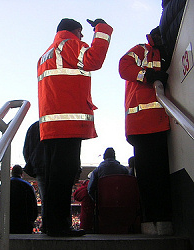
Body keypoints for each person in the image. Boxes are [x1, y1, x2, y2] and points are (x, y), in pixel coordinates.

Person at [38, 17, 113, 237]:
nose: (82, 38)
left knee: (55, 177)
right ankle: (59, 226)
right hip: (67, 123)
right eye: (81, 34)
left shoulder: (47, 53)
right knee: (64, 175)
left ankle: (51, 225)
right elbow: (93, 60)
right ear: (76, 31)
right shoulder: (68, 44)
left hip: (52, 124)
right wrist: (102, 29)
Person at [119, 26, 173, 235]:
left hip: (159, 123)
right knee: (149, 176)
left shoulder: (167, 53)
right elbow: (124, 66)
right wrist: (148, 75)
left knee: (159, 174)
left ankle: (161, 219)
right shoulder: (142, 50)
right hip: (141, 124)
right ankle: (152, 220)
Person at [23, 121, 46, 230]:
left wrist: (33, 167)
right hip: (60, 166)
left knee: (45, 199)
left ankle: (47, 225)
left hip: (41, 167)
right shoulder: (62, 124)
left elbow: (26, 150)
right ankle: (63, 225)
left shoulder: (34, 127)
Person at [9, 165, 38, 234]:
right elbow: (33, 206)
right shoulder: (28, 186)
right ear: (22, 174)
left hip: (8, 222)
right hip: (24, 223)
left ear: (12, 173)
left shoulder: (3, 185)